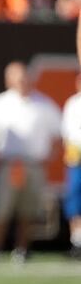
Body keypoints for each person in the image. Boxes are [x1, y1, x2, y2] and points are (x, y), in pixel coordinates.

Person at [0, 61, 63, 263]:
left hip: (34, 165)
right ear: (8, 79)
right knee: (1, 209)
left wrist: (49, 158)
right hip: (7, 165)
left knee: (28, 210)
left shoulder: (44, 104)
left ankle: (22, 250)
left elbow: (58, 136)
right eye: (17, 76)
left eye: (24, 76)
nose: (22, 80)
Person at [63, 75, 81, 258]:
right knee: (75, 201)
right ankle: (77, 241)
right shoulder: (73, 104)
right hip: (76, 160)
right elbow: (68, 133)